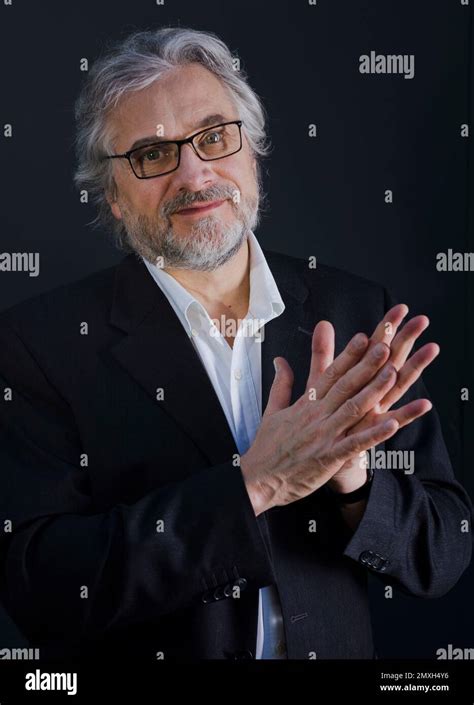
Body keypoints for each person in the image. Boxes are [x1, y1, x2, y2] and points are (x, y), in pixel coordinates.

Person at [0, 26, 471, 662]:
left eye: (215, 137)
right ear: (112, 196)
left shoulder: (356, 309)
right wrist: (256, 482)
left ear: (253, 152)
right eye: (151, 154)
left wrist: (354, 479)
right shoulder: (37, 345)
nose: (195, 173)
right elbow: (42, 590)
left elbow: (441, 554)